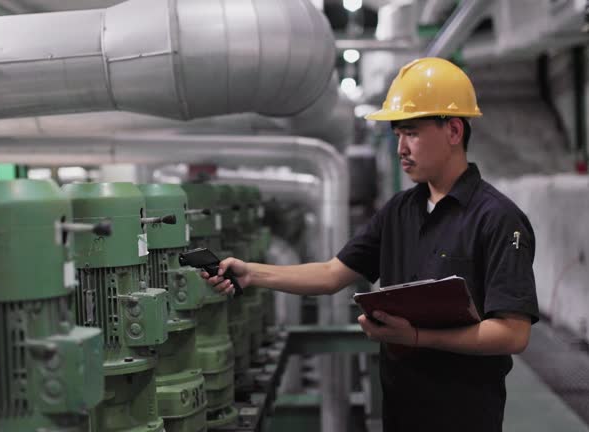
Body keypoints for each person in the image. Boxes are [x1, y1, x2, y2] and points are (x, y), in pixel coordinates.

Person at [203, 57, 539, 432]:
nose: (401, 148)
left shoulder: (497, 218)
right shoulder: (399, 211)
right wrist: (252, 273)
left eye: (411, 132)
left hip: (463, 413)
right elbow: (331, 274)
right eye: (397, 135)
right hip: (400, 408)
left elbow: (512, 333)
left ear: (454, 130)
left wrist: (415, 337)